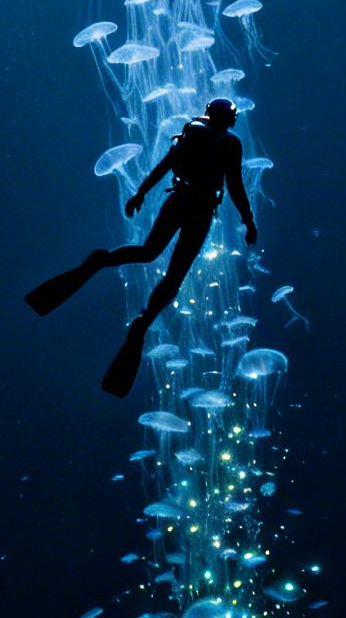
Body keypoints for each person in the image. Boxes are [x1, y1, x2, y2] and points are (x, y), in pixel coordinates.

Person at [25, 97, 257, 396]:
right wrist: (248, 220)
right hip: (200, 208)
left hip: (178, 199)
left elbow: (166, 164)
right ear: (227, 117)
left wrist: (141, 193)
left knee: (148, 252)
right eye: (232, 116)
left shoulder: (192, 130)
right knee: (175, 274)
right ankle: (144, 320)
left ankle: (99, 261)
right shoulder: (230, 143)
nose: (235, 120)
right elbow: (235, 184)